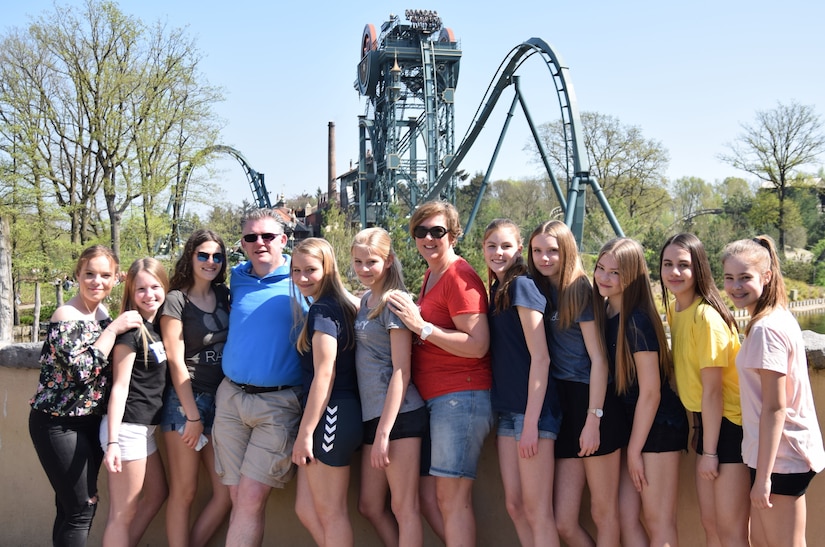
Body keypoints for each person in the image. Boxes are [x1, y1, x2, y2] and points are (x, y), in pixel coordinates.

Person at [387, 200, 492, 547]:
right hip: (437, 401)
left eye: (438, 231)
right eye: (421, 231)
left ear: (454, 234)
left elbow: (478, 344)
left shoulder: (459, 277)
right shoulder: (433, 274)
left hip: (460, 398)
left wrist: (423, 328)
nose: (429, 238)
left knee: (452, 501)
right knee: (433, 499)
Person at [29, 245, 143, 547]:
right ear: (77, 274)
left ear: (116, 278)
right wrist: (115, 328)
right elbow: (81, 370)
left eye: (105, 275)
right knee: (82, 508)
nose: (97, 281)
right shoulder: (66, 314)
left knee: (69, 507)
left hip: (88, 423)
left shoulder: (101, 313)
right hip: (57, 424)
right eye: (90, 274)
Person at [722, 236, 825, 547]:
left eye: (745, 278)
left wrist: (764, 478)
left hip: (780, 460)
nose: (735, 286)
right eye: (729, 278)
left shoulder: (766, 329)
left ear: (766, 277)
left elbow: (775, 408)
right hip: (780, 457)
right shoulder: (776, 317)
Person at [212, 209, 305, 547]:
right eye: (251, 237)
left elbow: (343, 304)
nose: (259, 243)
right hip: (231, 400)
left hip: (278, 404)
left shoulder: (302, 279)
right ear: (242, 244)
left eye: (267, 236)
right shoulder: (237, 278)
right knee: (238, 498)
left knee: (250, 499)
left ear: (283, 240)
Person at [529, 220, 625, 547]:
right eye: (538, 250)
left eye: (552, 251)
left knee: (603, 511)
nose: (545, 258)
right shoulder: (538, 289)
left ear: (566, 250)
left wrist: (593, 419)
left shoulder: (579, 289)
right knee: (563, 521)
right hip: (562, 406)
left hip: (592, 402)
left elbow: (599, 360)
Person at [592, 237, 688, 547]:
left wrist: (634, 450)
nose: (605, 277)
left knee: (658, 520)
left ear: (631, 275)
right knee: (626, 516)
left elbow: (651, 392)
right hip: (631, 427)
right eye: (600, 268)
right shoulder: (607, 312)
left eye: (615, 272)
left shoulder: (637, 321)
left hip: (657, 428)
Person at [660, 233, 749, 547]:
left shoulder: (706, 318)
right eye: (667, 264)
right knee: (710, 526)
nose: (674, 272)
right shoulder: (676, 310)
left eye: (683, 265)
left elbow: (713, 392)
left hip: (730, 427)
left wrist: (710, 452)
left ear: (698, 269)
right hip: (706, 424)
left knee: (731, 531)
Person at [484, 219, 560, 546]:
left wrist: (530, 422)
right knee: (515, 506)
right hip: (506, 410)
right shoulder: (497, 289)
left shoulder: (522, 286)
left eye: (506, 246)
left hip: (533, 413)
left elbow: (541, 357)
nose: (498, 252)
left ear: (519, 250)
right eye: (491, 246)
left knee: (537, 510)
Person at [351, 227, 427, 547]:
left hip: (399, 417)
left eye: (372, 262)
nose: (364, 269)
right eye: (358, 262)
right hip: (373, 416)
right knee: (370, 506)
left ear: (389, 260)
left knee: (403, 506)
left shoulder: (394, 301)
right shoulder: (365, 299)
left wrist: (384, 432)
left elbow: (402, 371)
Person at [159, 229, 232, 547]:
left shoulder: (225, 295)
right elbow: (175, 360)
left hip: (224, 403)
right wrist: (191, 415)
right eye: (203, 254)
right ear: (191, 257)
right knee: (185, 491)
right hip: (185, 404)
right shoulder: (176, 300)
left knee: (226, 493)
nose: (210, 261)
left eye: (217, 256)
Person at [290, 237, 363, 546]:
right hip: (329, 415)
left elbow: (325, 374)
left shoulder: (324, 309)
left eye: (311, 269)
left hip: (332, 415)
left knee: (331, 513)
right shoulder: (339, 305)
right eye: (296, 270)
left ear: (327, 268)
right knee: (305, 508)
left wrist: (305, 433)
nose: (303, 277)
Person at [101, 257, 170, 546]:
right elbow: (119, 387)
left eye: (155, 286)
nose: (149, 294)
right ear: (130, 292)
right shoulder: (131, 331)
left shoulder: (156, 327)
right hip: (126, 429)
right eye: (140, 289)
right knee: (122, 513)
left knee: (158, 493)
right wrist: (113, 442)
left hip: (144, 430)